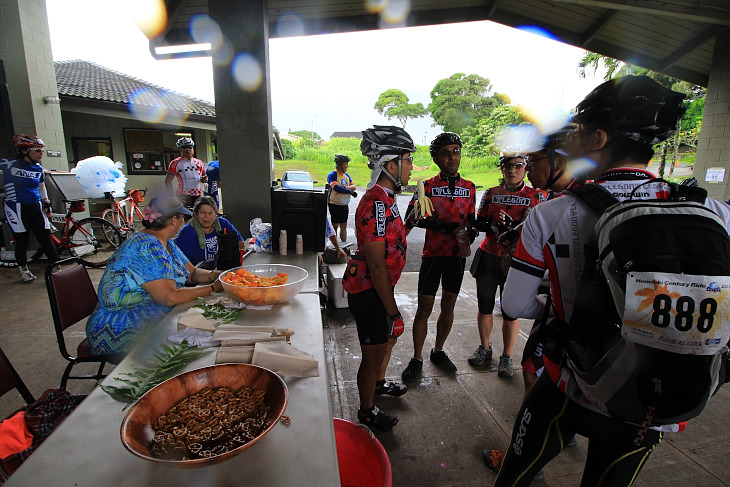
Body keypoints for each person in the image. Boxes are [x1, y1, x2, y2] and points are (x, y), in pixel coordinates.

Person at [494, 75, 730, 486]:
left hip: (570, 383)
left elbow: (514, 307)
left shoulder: (550, 214)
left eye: (581, 132)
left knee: (516, 475)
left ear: (599, 138)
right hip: (651, 398)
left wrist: (557, 302)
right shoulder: (714, 212)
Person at [481, 127, 580, 475]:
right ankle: (565, 430)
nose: (528, 169)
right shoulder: (602, 196)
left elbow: (515, 306)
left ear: (560, 161)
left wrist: (544, 299)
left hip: (561, 321)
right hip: (605, 328)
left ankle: (523, 458)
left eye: (534, 161)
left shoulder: (551, 208)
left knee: (533, 375)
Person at [342, 125, 415, 431]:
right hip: (369, 291)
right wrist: (392, 310)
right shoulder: (375, 203)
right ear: (390, 165)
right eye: (408, 160)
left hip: (379, 289)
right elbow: (376, 264)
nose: (412, 167)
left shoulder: (386, 198)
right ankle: (366, 410)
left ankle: (380, 383)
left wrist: (410, 222)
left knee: (386, 340)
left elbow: (391, 244)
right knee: (371, 356)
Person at [86, 195, 223, 356]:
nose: (183, 222)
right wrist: (213, 288)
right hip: (117, 324)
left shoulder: (166, 241)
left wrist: (216, 275)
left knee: (205, 321)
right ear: (174, 220)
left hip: (150, 313)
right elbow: (169, 297)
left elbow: (191, 274)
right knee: (200, 335)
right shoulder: (146, 246)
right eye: (182, 217)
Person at [400, 132, 477, 381]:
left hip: (457, 256)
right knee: (424, 309)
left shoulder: (470, 187)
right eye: (446, 152)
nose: (453, 157)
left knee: (449, 306)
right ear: (435, 158)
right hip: (432, 255)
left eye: (456, 151)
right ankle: (417, 357)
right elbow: (409, 221)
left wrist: (473, 231)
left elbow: (472, 219)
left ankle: (438, 350)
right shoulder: (426, 187)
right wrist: (434, 226)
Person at [467, 151, 541, 378]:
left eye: (518, 165)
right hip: (489, 255)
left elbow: (538, 228)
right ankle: (485, 347)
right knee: (485, 306)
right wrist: (493, 224)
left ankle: (507, 356)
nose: (512, 170)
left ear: (526, 168)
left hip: (515, 259)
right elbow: (477, 221)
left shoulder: (535, 195)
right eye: (508, 166)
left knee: (511, 310)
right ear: (501, 169)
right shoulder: (491, 193)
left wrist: (517, 225)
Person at [1, 134, 59, 282]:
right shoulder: (9, 163)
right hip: (16, 207)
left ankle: (56, 266)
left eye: (42, 150)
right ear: (24, 151)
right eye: (37, 150)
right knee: (22, 240)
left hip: (36, 206)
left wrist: (46, 202)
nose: (41, 153)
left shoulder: (38, 168)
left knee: (46, 238)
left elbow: (41, 186)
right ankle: (23, 270)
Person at [174, 195, 244, 269]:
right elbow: (181, 266)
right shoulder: (186, 233)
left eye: (210, 213)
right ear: (195, 214)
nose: (206, 217)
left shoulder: (223, 223)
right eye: (202, 212)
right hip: (197, 276)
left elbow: (240, 243)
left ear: (216, 214)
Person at [165, 137, 207, 208]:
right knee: (184, 217)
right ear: (180, 150)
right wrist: (172, 198)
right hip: (183, 195)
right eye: (185, 148)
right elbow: (167, 181)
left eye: (190, 148)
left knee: (197, 216)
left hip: (197, 195)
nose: (188, 150)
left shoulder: (199, 162)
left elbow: (204, 178)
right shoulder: (175, 163)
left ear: (193, 149)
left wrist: (204, 179)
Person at [327, 154, 357, 242]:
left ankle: (344, 244)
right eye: (345, 164)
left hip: (344, 204)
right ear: (339, 165)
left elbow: (354, 186)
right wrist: (349, 191)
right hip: (334, 204)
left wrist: (345, 188)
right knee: (335, 225)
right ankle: (334, 246)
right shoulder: (332, 175)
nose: (347, 166)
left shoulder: (346, 175)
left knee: (344, 225)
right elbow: (336, 188)